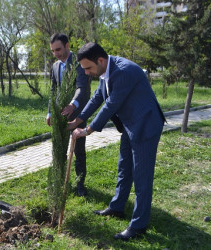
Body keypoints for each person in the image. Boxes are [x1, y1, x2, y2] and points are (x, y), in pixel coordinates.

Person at [68, 42, 166, 240]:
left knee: (142, 177)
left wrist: (87, 130)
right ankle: (117, 207)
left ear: (100, 60)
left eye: (88, 68)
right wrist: (77, 120)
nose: (86, 73)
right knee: (124, 168)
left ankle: (138, 226)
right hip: (130, 125)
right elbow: (97, 98)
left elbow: (110, 105)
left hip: (145, 125)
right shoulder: (106, 71)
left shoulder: (124, 71)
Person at [47, 33, 91, 196]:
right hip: (60, 114)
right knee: (59, 149)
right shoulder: (55, 66)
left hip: (77, 113)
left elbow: (82, 88)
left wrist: (73, 104)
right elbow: (53, 90)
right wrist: (50, 112)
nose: (56, 53)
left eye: (58, 49)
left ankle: (80, 185)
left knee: (79, 151)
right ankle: (60, 182)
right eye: (53, 51)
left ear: (67, 45)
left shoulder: (80, 64)